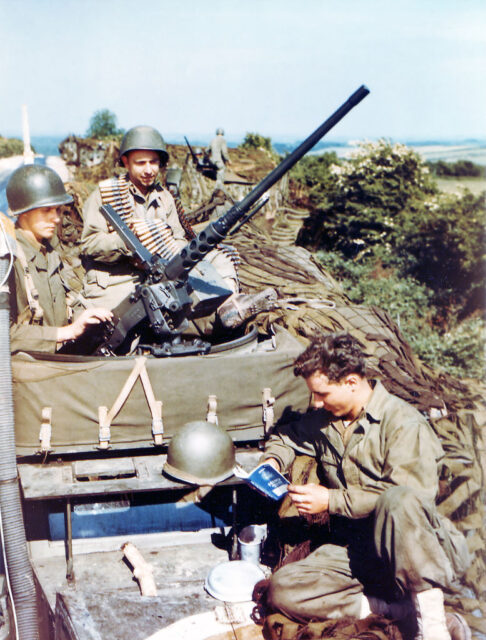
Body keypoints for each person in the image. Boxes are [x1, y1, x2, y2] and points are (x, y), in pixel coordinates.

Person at [262, 332, 471, 640]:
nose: (315, 402)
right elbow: (285, 436)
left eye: (322, 394)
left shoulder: (403, 423)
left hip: (411, 549)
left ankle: (434, 624)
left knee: (399, 500)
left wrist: (330, 501)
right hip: (359, 551)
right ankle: (398, 611)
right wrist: (273, 463)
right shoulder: (325, 420)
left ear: (351, 382)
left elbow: (410, 503)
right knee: (282, 591)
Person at [80, 125, 276, 334]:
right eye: (140, 163)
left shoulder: (165, 198)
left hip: (160, 274)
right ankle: (214, 319)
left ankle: (230, 304)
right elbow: (89, 244)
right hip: (120, 280)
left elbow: (177, 240)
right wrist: (127, 242)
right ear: (126, 162)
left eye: (154, 162)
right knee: (129, 325)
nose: (148, 170)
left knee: (218, 257)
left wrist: (185, 256)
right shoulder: (104, 195)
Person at [5, 164, 112, 353]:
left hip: (58, 359)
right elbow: (6, 334)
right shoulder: (9, 261)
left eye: (57, 210)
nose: (56, 218)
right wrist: (66, 333)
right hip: (28, 369)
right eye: (46, 211)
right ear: (23, 211)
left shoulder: (52, 252)